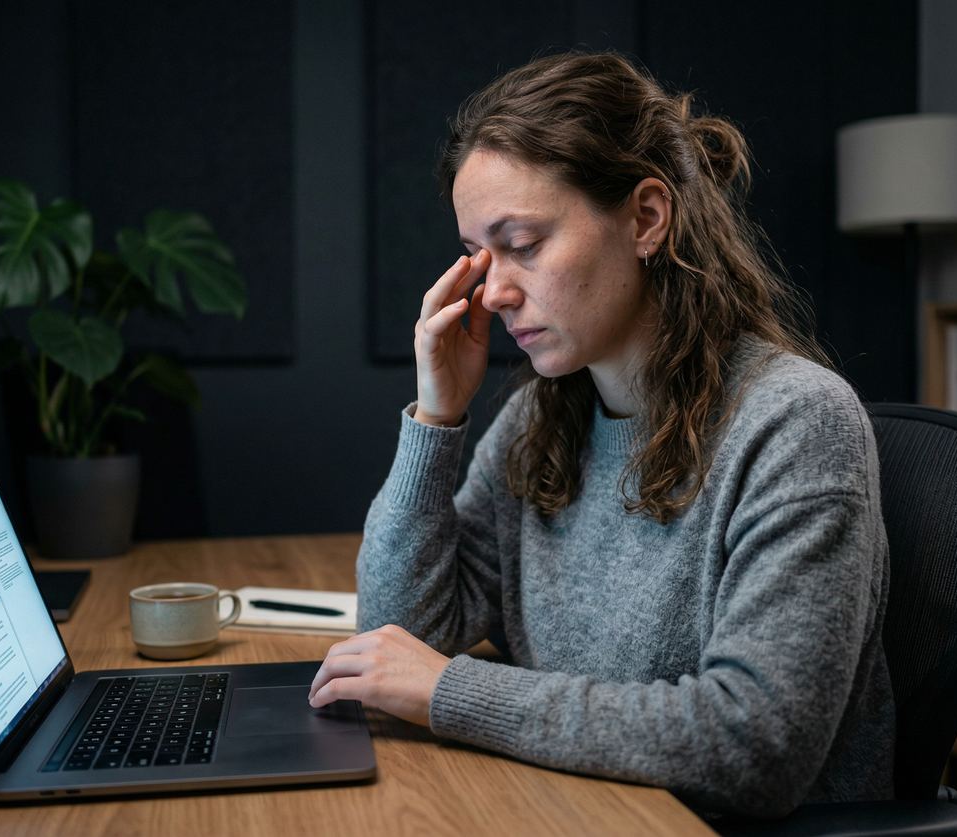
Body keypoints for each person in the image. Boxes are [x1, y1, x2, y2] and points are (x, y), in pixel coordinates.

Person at [306, 52, 895, 819]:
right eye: (478, 255)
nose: (493, 291)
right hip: (575, 807)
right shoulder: (539, 419)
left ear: (646, 218)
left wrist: (454, 692)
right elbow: (401, 637)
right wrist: (436, 418)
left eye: (522, 242)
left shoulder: (796, 422)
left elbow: (755, 746)